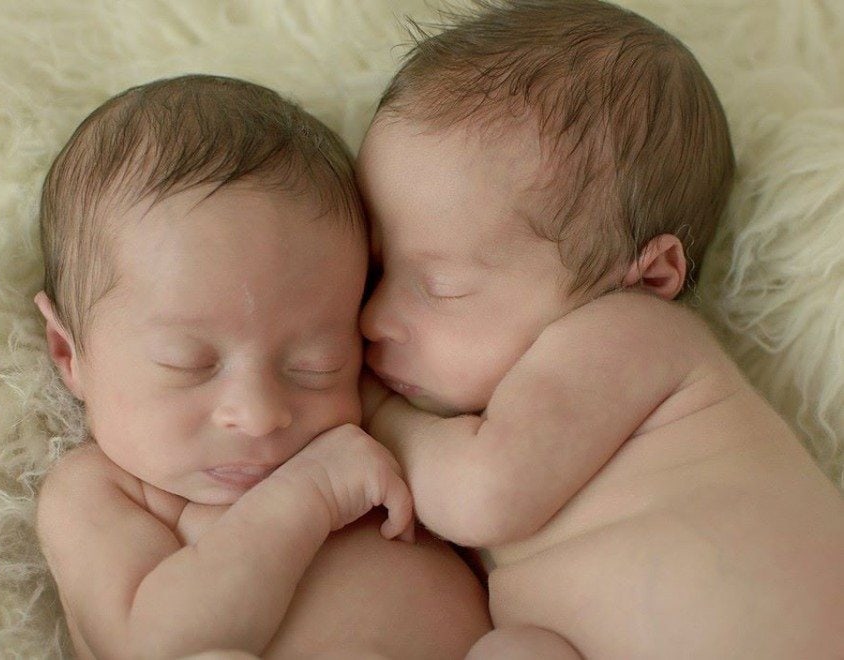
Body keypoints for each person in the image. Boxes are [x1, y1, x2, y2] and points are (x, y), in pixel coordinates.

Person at [356, 1, 844, 657]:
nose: (370, 318)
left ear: (645, 276)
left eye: (442, 285)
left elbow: (484, 494)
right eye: (376, 270)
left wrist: (370, 409)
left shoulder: (631, 331)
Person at [33, 74, 490, 659]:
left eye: (315, 366)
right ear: (69, 354)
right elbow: (153, 644)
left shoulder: (375, 425)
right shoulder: (99, 490)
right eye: (189, 363)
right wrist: (310, 494)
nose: (259, 414)